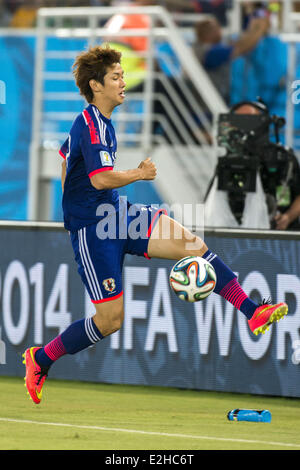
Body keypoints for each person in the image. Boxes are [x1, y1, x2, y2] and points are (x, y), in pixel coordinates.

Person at [23, 44, 288, 404]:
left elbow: (66, 160)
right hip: (93, 231)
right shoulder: (88, 123)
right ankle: (41, 358)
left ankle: (253, 311)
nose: (123, 82)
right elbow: (99, 179)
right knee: (110, 320)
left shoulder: (100, 123)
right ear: (96, 86)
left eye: (122, 75)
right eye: (115, 76)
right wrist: (138, 174)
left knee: (191, 244)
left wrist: (79, 192)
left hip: (118, 215)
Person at [233, 102, 300, 231]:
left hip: (282, 237)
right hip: (237, 237)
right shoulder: (228, 162)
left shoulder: (284, 158)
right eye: (239, 121)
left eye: (250, 121)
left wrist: (288, 217)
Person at [193, 15, 270, 105]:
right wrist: (259, 28)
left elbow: (238, 43)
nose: (220, 31)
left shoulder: (202, 47)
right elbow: (241, 47)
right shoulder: (208, 52)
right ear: (206, 33)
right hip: (210, 104)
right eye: (216, 29)